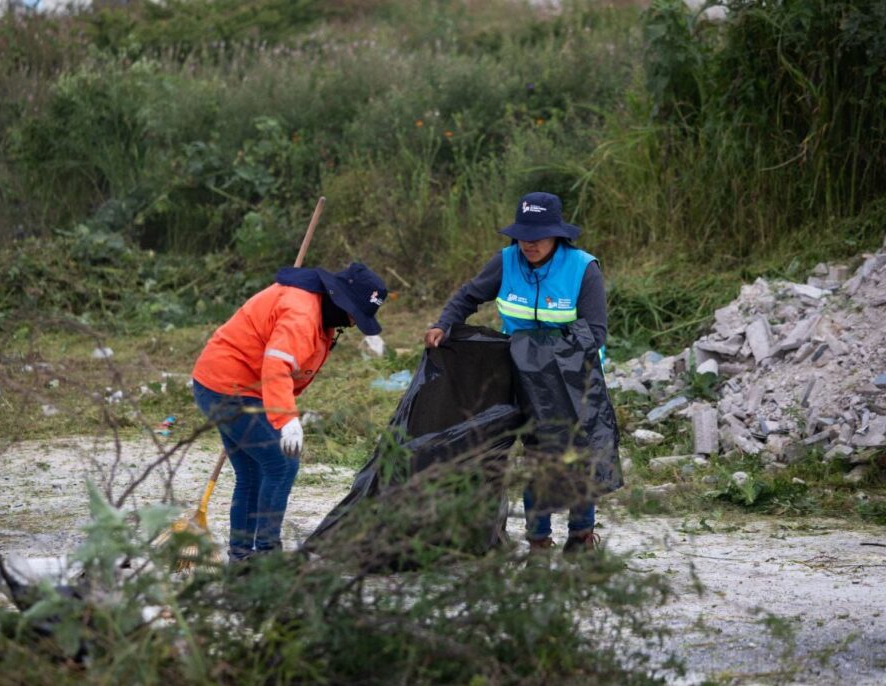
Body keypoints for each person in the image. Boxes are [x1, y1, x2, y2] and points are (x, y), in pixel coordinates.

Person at [424, 191, 618, 555]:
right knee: (537, 455)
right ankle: (539, 541)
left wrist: (540, 351)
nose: (529, 244)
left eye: (538, 237)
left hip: (575, 375)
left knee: (578, 456)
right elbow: (468, 296)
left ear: (557, 236)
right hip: (523, 375)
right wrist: (443, 324)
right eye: (523, 236)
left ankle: (581, 537)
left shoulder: (583, 269)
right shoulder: (506, 261)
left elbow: (595, 334)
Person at [192, 262, 388, 562]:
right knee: (282, 464)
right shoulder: (302, 313)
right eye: (353, 314)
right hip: (229, 388)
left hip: (226, 384)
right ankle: (266, 556)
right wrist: (286, 419)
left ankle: (242, 559)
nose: (351, 323)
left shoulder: (316, 309)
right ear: (340, 299)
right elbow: (276, 366)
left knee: (252, 472)